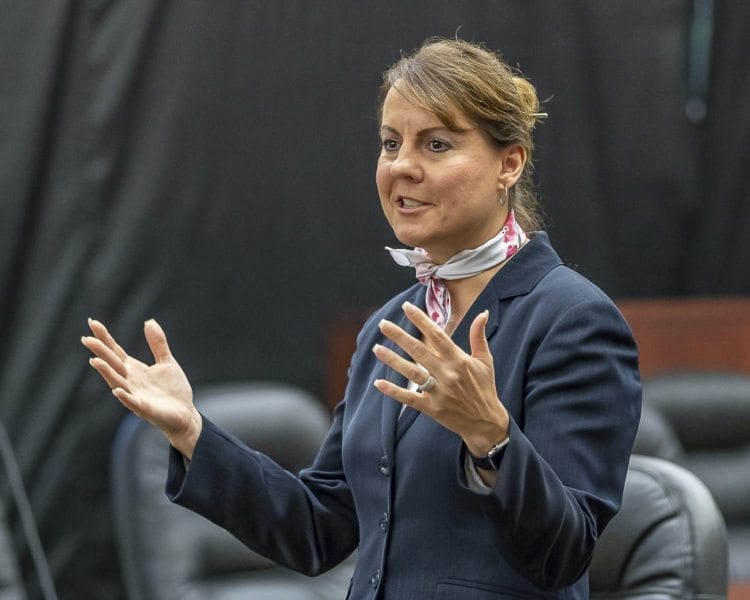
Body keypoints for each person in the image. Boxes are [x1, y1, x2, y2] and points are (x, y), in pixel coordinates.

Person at [82, 38, 641, 599]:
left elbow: (564, 553)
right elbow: (318, 529)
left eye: (437, 144)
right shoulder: (390, 325)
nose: (402, 167)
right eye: (390, 143)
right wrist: (192, 432)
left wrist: (490, 437)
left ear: (509, 162)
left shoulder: (573, 319)